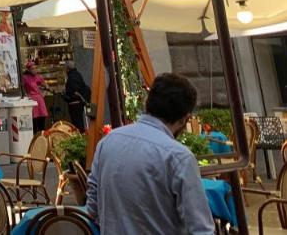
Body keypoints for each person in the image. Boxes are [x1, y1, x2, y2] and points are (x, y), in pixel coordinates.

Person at [86, 73, 214, 235]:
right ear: (185, 119)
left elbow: (92, 205)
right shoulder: (178, 157)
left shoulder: (108, 141)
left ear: (148, 103)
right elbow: (201, 228)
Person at [63, 61, 92, 132]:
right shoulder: (78, 74)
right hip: (80, 103)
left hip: (74, 104)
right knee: (80, 122)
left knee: (77, 124)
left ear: (67, 69)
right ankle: (81, 136)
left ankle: (80, 137)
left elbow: (72, 92)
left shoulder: (71, 77)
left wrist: (65, 95)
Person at [21, 60, 49, 133]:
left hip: (40, 100)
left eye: (35, 68)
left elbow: (46, 85)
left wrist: (44, 93)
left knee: (42, 120)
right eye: (33, 69)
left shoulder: (38, 76)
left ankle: (42, 136)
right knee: (34, 121)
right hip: (32, 100)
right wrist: (26, 96)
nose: (35, 70)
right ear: (29, 70)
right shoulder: (25, 77)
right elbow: (22, 89)